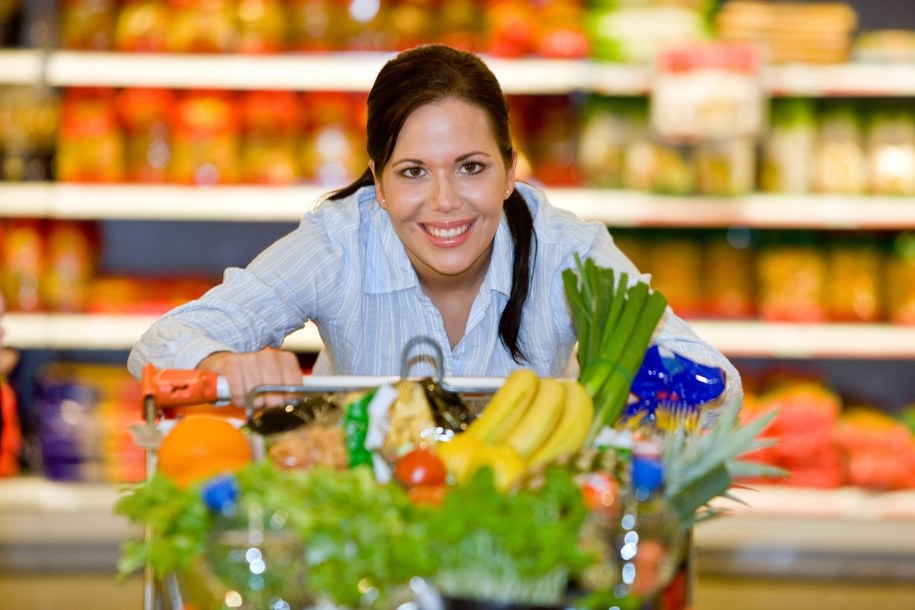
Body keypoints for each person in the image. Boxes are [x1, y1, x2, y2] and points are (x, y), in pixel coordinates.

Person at [127, 44, 742, 411]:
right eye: (413, 172)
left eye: (471, 167)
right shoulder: (340, 242)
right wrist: (221, 362)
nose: (444, 202)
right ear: (378, 181)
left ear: (510, 171)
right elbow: (160, 343)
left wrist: (647, 384)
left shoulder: (567, 251)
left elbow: (720, 384)